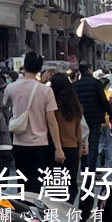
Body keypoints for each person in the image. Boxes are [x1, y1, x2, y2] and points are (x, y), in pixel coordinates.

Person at [4, 52, 64, 196]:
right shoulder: (46, 90)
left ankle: (23, 213)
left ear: (23, 66)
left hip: (19, 142)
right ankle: (33, 213)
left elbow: (5, 105)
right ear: (39, 69)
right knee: (36, 184)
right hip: (40, 144)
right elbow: (52, 121)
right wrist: (58, 148)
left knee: (22, 183)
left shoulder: (11, 88)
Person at [48, 73, 83, 201]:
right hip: (72, 148)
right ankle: (67, 210)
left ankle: (56, 213)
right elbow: (78, 131)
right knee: (71, 185)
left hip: (54, 148)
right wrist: (80, 148)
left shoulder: (52, 107)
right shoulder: (76, 106)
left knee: (56, 186)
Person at [72, 62, 108, 170]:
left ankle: (83, 167)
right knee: (93, 146)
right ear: (89, 69)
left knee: (83, 142)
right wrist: (110, 113)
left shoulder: (75, 85)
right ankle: (91, 170)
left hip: (81, 119)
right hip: (95, 120)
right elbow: (103, 101)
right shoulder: (96, 83)